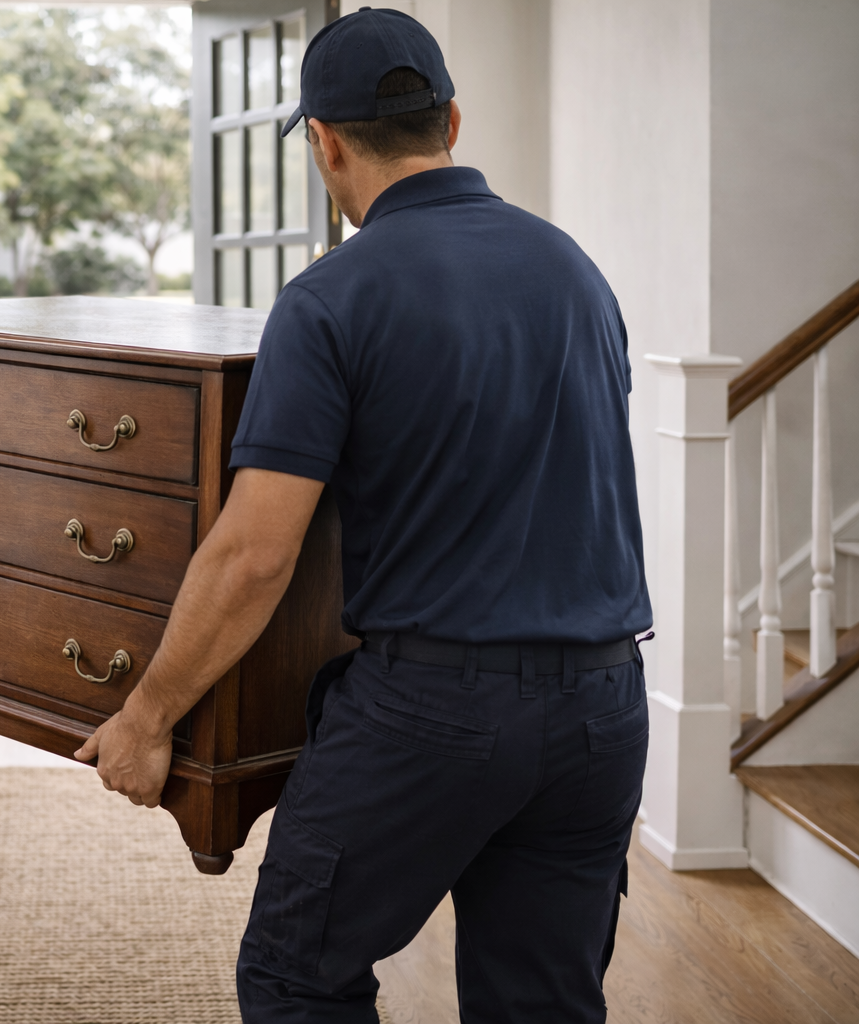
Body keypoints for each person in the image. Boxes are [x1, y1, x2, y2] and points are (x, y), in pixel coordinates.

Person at [75, 9, 652, 1023]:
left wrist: (148, 713)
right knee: (543, 1005)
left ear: (324, 142)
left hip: (439, 710)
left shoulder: (332, 299)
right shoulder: (578, 274)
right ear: (453, 122)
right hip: (606, 713)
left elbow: (256, 554)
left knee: (296, 973)